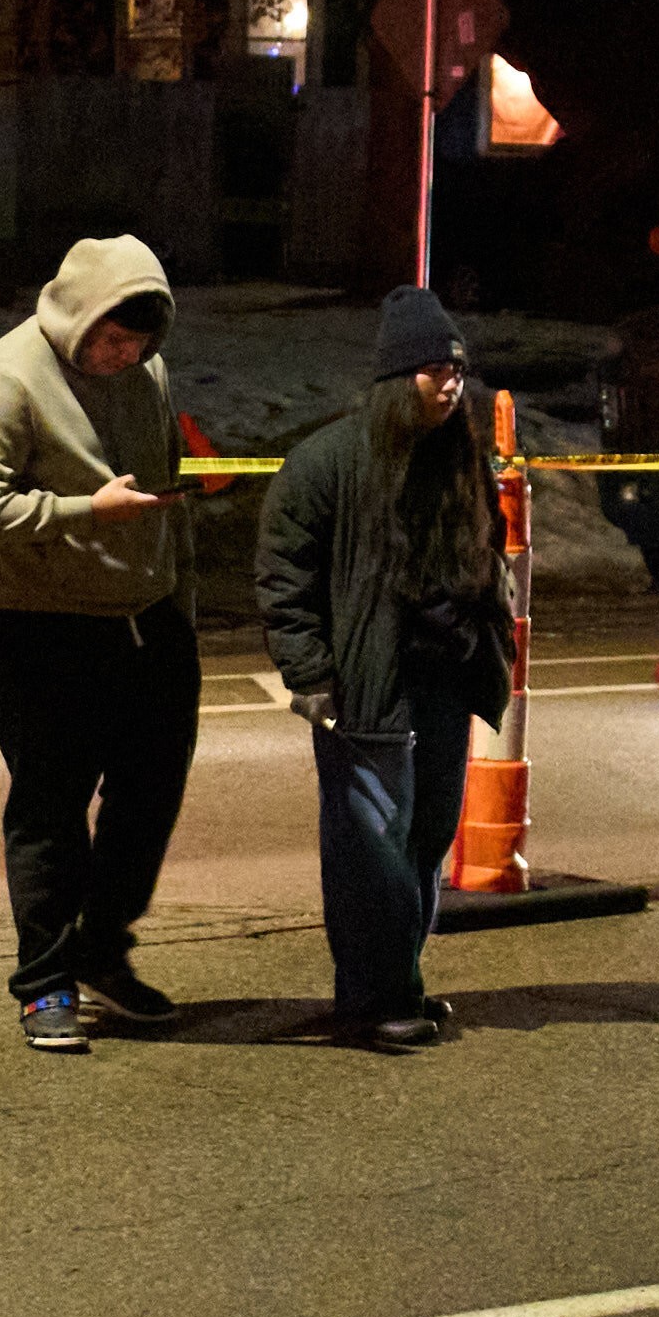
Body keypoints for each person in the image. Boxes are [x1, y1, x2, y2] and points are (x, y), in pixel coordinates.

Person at [0, 230, 199, 1053]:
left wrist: (175, 593)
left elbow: (163, 488)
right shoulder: (9, 377)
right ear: (80, 314)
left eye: (139, 342)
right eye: (113, 337)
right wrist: (84, 512)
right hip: (43, 625)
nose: (123, 355)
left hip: (148, 619)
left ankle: (102, 948)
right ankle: (44, 981)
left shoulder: (147, 373)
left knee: (149, 796)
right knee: (50, 808)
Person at [257, 289, 519, 1048]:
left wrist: (481, 633)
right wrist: (309, 675)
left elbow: (483, 554)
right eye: (434, 371)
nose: (449, 386)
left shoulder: (460, 456)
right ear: (394, 377)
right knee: (369, 845)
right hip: (366, 688)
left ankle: (397, 981)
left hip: (444, 679)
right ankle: (374, 1000)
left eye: (458, 372)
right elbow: (283, 573)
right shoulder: (330, 462)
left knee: (428, 833)